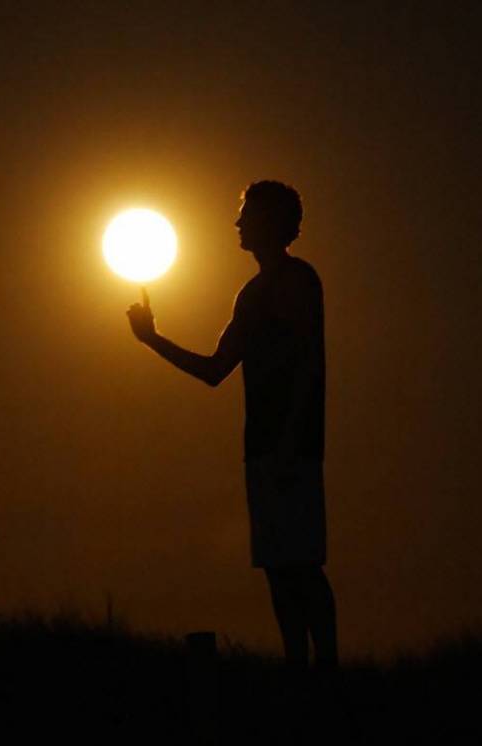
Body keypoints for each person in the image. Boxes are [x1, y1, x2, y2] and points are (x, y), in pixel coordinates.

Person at [126, 180, 338, 677]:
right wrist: (152, 339)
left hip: (292, 446)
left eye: (248, 215)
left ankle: (327, 670)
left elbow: (309, 365)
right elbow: (216, 369)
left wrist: (291, 440)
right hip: (262, 446)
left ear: (272, 221)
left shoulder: (297, 281)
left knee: (302, 565)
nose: (238, 224)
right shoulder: (252, 293)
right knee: (277, 567)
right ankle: (298, 669)